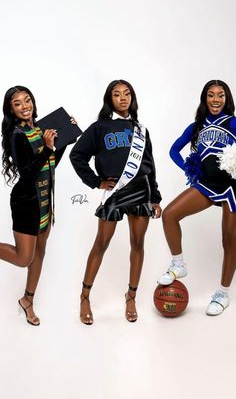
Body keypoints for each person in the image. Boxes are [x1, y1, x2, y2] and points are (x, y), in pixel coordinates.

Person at [70, 79, 162, 324]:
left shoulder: (141, 130)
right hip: (115, 192)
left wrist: (155, 197)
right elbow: (77, 155)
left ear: (132, 97)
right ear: (109, 99)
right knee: (101, 243)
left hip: (141, 190)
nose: (123, 98)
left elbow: (150, 166)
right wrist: (96, 181)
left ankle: (131, 296)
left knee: (138, 244)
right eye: (117, 94)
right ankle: (85, 296)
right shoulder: (99, 128)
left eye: (127, 93)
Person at [158, 79, 236, 316]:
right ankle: (178, 264)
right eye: (211, 95)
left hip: (232, 188)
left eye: (220, 95)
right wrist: (190, 168)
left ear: (227, 99)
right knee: (170, 214)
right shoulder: (196, 126)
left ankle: (222, 294)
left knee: (229, 240)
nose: (216, 100)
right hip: (207, 184)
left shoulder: (233, 122)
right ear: (204, 99)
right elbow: (173, 150)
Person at [1, 86, 71, 325]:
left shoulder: (40, 129)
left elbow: (50, 164)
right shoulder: (16, 135)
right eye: (17, 103)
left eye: (27, 100)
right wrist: (48, 147)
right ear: (10, 109)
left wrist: (66, 136)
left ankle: (27, 300)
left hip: (45, 202)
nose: (24, 106)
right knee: (23, 258)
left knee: (40, 251)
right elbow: (28, 173)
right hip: (25, 203)